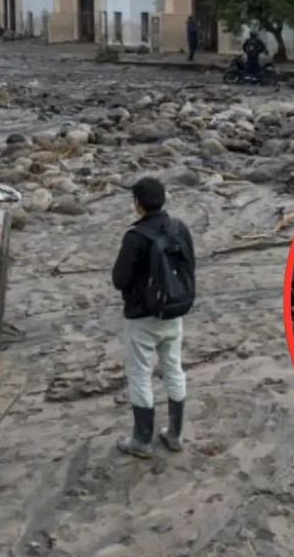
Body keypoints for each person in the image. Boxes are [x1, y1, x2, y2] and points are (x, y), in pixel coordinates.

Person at [110, 177, 197, 459]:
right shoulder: (179, 229)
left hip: (142, 316)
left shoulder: (135, 237)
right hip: (174, 310)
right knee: (173, 368)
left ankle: (142, 440)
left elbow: (119, 279)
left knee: (140, 374)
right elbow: (189, 266)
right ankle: (174, 435)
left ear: (137, 203)